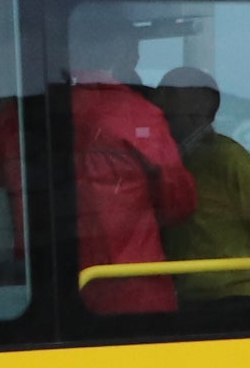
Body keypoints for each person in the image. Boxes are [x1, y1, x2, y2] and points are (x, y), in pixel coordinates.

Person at [150, 68, 250, 305]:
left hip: (236, 298)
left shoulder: (227, 158)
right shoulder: (167, 161)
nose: (159, 106)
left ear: (198, 109)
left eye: (170, 96)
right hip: (192, 297)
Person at [68, 68, 195, 317]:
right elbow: (179, 200)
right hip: (132, 280)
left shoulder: (21, 117)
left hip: (39, 283)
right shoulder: (136, 115)